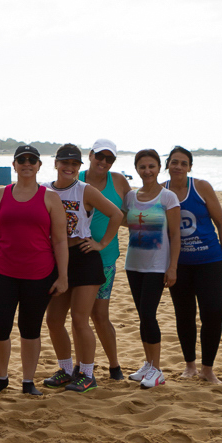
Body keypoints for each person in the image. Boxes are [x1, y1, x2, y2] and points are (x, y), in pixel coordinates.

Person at [0, 145, 69, 398]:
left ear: (40, 165)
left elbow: (60, 241)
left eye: (32, 160)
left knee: (30, 329)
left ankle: (28, 381)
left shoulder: (50, 197)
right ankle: (1, 378)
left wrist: (63, 276)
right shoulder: (0, 196)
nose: (27, 164)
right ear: (15, 165)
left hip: (39, 274)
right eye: (22, 160)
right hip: (3, 273)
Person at [41, 144, 124, 393]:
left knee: (80, 319)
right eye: (64, 163)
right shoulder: (44, 190)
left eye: (74, 164)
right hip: (57, 258)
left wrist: (102, 243)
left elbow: (116, 214)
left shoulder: (84, 190)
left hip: (84, 257)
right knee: (54, 320)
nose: (69, 168)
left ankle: (87, 374)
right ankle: (66, 370)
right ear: (55, 163)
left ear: (80, 167)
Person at [164, 146, 222, 385]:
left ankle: (208, 369)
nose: (178, 167)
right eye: (174, 162)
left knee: (213, 313)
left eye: (184, 163)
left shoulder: (201, 187)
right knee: (184, 315)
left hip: (210, 261)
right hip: (179, 265)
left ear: (190, 167)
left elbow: (221, 224)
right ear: (168, 165)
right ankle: (190, 366)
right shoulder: (162, 191)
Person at [123, 149, 181, 389]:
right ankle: (148, 364)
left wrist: (172, 267)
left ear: (159, 168)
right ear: (137, 169)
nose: (147, 171)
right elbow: (121, 220)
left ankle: (157, 369)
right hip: (133, 264)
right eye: (142, 167)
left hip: (157, 267)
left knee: (149, 314)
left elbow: (175, 234)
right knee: (141, 316)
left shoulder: (168, 197)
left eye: (151, 166)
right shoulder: (131, 197)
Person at [78, 139, 133, 381]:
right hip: (76, 257)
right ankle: (81, 368)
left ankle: (114, 367)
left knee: (99, 315)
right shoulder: (74, 176)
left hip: (106, 259)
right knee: (78, 315)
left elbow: (129, 216)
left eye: (109, 159)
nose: (103, 162)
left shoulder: (119, 181)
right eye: (100, 156)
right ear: (90, 155)